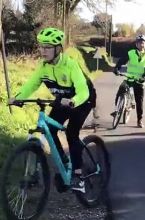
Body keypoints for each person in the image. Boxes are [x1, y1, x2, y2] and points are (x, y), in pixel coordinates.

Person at [9, 27, 93, 193]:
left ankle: (78, 172)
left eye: (47, 47)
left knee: (71, 133)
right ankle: (63, 161)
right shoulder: (43, 67)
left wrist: (73, 101)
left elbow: (83, 91)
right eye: (41, 46)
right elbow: (31, 85)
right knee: (51, 129)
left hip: (83, 100)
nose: (43, 50)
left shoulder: (70, 65)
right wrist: (18, 97)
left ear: (58, 49)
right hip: (61, 102)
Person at [112, 34, 145, 128]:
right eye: (139, 43)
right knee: (121, 90)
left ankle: (139, 120)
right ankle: (117, 109)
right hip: (129, 78)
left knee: (139, 101)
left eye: (143, 43)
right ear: (136, 44)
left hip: (139, 81)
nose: (141, 45)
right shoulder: (130, 53)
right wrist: (117, 68)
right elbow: (122, 61)